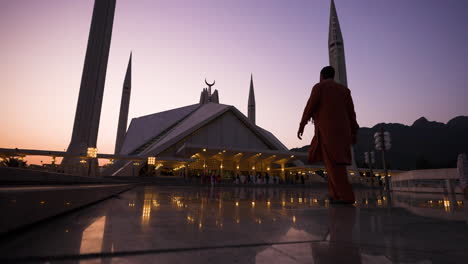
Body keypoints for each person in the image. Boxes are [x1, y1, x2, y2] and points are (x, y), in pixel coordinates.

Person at [298, 66, 359, 204]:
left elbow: (310, 107)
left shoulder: (319, 87)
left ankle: (346, 196)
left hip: (328, 132)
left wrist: (302, 124)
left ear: (321, 76)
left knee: (333, 164)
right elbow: (351, 113)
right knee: (333, 164)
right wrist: (354, 131)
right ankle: (335, 194)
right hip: (344, 132)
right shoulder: (345, 91)